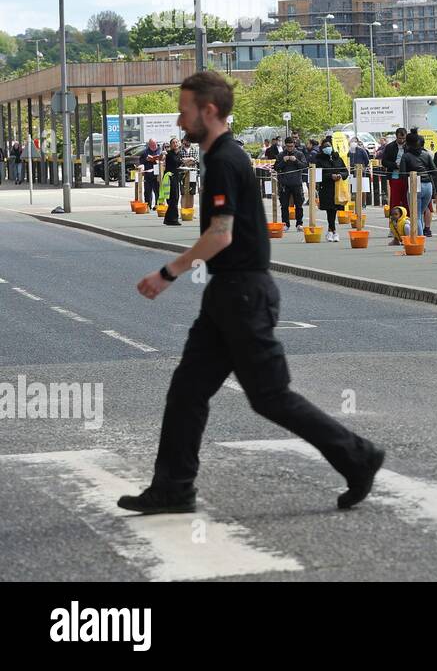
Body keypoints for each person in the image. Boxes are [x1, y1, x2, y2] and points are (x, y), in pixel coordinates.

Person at [120, 71, 384, 515]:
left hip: (242, 294)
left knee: (269, 397)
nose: (179, 120)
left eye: (185, 111)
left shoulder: (224, 160)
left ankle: (357, 455)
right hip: (229, 294)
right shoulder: (222, 157)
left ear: (208, 111)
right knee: (187, 391)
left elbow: (220, 235)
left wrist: (168, 272)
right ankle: (173, 487)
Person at [401, 132, 436, 237]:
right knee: (420, 213)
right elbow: (434, 170)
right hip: (428, 185)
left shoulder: (406, 156)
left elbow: (402, 174)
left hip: (414, 184)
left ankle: (419, 240)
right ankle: (420, 238)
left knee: (415, 215)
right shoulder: (427, 154)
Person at [316, 138, 348, 242]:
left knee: (334, 209)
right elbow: (318, 175)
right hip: (326, 188)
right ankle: (333, 231)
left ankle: (331, 230)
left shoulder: (337, 158)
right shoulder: (319, 159)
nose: (327, 148)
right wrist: (331, 176)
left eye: (329, 146)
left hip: (338, 188)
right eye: (325, 147)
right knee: (330, 209)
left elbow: (345, 171)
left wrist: (340, 175)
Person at [380, 128, 408, 243]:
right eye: (399, 138)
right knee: (395, 203)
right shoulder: (390, 147)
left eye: (403, 138)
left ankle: (406, 226)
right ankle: (393, 228)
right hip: (395, 177)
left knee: (406, 202)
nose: (401, 140)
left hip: (406, 178)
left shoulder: (408, 146)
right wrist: (394, 165)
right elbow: (384, 162)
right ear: (396, 137)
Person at [275, 138, 307, 230]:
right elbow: (276, 168)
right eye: (288, 146)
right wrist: (283, 161)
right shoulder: (281, 155)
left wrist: (296, 160)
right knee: (284, 205)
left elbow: (304, 166)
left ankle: (299, 223)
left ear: (294, 145)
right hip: (284, 184)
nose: (290, 148)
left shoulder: (299, 154)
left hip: (296, 183)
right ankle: (285, 224)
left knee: (299, 204)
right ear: (285, 145)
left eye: (291, 146)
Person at [162, 138, 183, 226]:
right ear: (171, 145)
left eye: (176, 142)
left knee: (175, 198)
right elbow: (162, 158)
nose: (175, 144)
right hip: (169, 177)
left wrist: (185, 162)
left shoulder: (179, 153)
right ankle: (173, 219)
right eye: (173, 143)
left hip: (176, 177)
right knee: (173, 198)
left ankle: (168, 218)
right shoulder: (169, 153)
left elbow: (178, 164)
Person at [141, 139, 162, 210]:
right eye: (151, 145)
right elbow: (141, 161)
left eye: (154, 145)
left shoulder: (161, 151)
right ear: (149, 145)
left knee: (158, 191)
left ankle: (157, 205)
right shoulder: (145, 152)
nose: (153, 146)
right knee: (147, 191)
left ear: (156, 143)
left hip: (158, 174)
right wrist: (146, 159)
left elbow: (164, 160)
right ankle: (148, 205)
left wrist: (159, 159)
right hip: (148, 174)